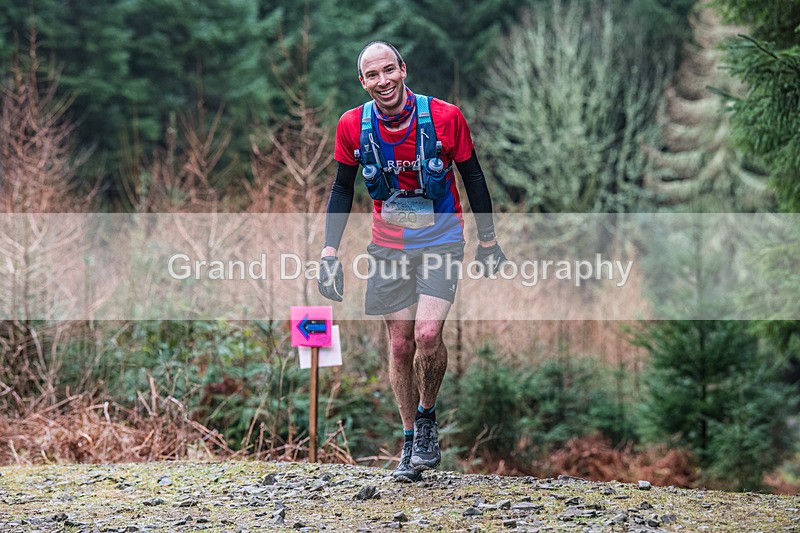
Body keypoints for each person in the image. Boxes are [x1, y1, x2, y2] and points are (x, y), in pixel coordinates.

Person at [318, 41, 506, 482]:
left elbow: (473, 175)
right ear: (362, 82)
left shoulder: (445, 117)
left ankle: (426, 417)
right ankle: (409, 443)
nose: (383, 81)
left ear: (403, 69)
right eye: (372, 75)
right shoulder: (352, 126)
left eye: (389, 70)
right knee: (400, 344)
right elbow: (342, 189)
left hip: (442, 238)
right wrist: (329, 252)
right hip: (388, 244)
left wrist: (489, 240)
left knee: (426, 334)